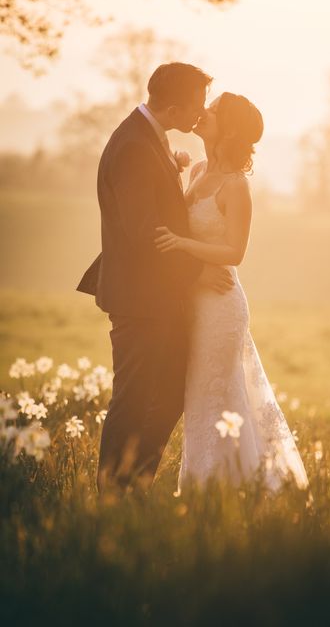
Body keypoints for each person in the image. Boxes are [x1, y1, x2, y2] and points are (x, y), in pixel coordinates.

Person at [77, 62, 234, 493]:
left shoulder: (147, 138)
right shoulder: (133, 145)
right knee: (132, 399)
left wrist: (174, 169)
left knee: (165, 397)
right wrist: (200, 271)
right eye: (197, 105)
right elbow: (146, 231)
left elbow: (156, 207)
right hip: (140, 300)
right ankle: (112, 495)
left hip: (157, 299)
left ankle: (134, 485)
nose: (200, 114)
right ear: (175, 105)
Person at [155, 92, 309, 492]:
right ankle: (212, 485)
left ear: (231, 129)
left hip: (222, 306)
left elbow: (235, 252)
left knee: (218, 395)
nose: (203, 111)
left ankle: (230, 488)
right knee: (199, 396)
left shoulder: (236, 185)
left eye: (215, 110)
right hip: (194, 300)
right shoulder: (198, 169)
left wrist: (185, 247)